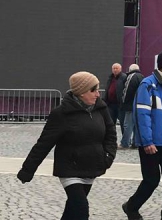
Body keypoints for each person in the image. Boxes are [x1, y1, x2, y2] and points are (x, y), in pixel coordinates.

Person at [17, 72, 117, 220]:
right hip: (70, 169)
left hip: (92, 166)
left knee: (72, 210)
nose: (98, 94)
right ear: (81, 92)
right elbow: (43, 144)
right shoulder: (61, 114)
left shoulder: (101, 108)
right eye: (93, 90)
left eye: (97, 90)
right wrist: (27, 170)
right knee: (81, 209)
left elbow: (111, 134)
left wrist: (108, 156)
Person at [122, 51, 162, 220]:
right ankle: (131, 207)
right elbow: (142, 115)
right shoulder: (147, 85)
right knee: (151, 180)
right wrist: (147, 141)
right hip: (151, 144)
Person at [120, 64, 144, 149]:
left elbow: (126, 91)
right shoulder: (142, 77)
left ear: (130, 69)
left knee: (128, 125)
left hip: (130, 105)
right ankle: (135, 143)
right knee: (136, 126)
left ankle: (125, 143)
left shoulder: (131, 76)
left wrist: (123, 102)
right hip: (139, 104)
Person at [104, 63, 126, 131]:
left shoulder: (124, 77)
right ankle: (112, 136)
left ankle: (124, 137)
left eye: (117, 68)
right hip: (110, 104)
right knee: (110, 123)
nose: (115, 70)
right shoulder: (110, 78)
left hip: (120, 105)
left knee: (123, 123)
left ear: (120, 69)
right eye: (114, 68)